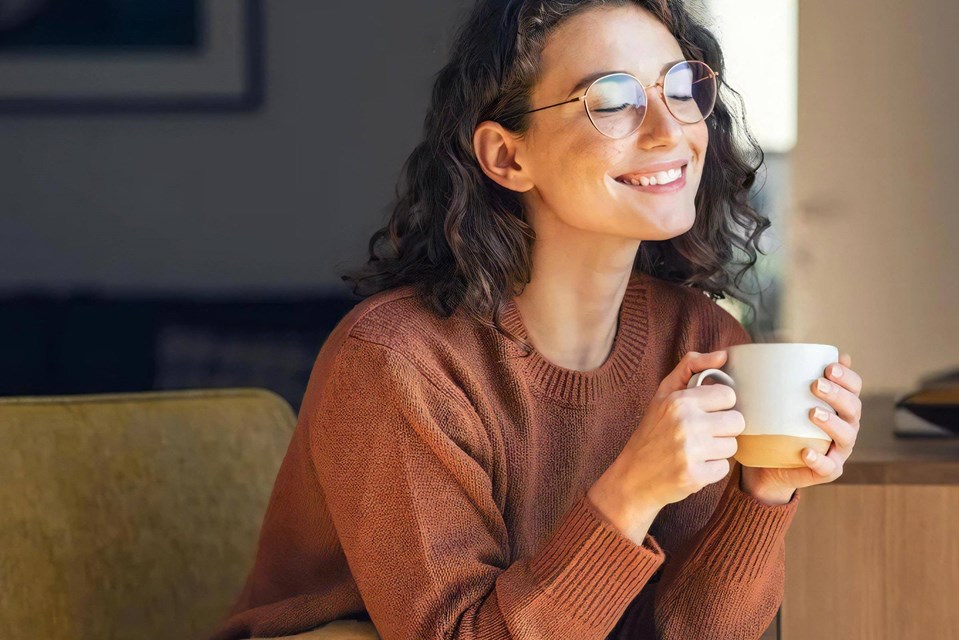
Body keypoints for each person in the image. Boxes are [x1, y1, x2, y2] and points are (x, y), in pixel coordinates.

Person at [208, 0, 864, 638]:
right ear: (507, 158)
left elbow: (687, 632)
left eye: (681, 87)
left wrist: (763, 496)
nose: (671, 133)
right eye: (612, 102)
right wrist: (630, 493)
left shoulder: (700, 342)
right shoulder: (399, 362)